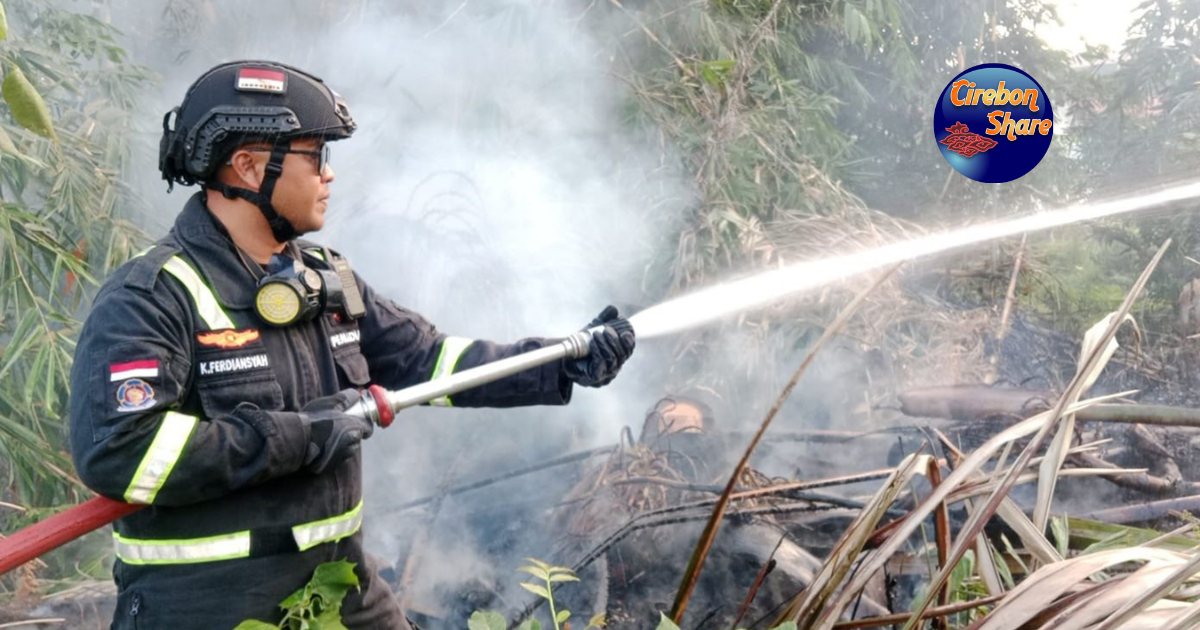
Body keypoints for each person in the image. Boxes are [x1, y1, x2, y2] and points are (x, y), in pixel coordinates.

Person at [67, 60, 636, 630]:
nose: (329, 176)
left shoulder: (325, 278)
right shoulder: (152, 295)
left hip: (340, 588)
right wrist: (300, 435)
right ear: (246, 166)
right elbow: (123, 453)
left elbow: (428, 361)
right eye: (315, 156)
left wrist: (562, 359)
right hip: (210, 607)